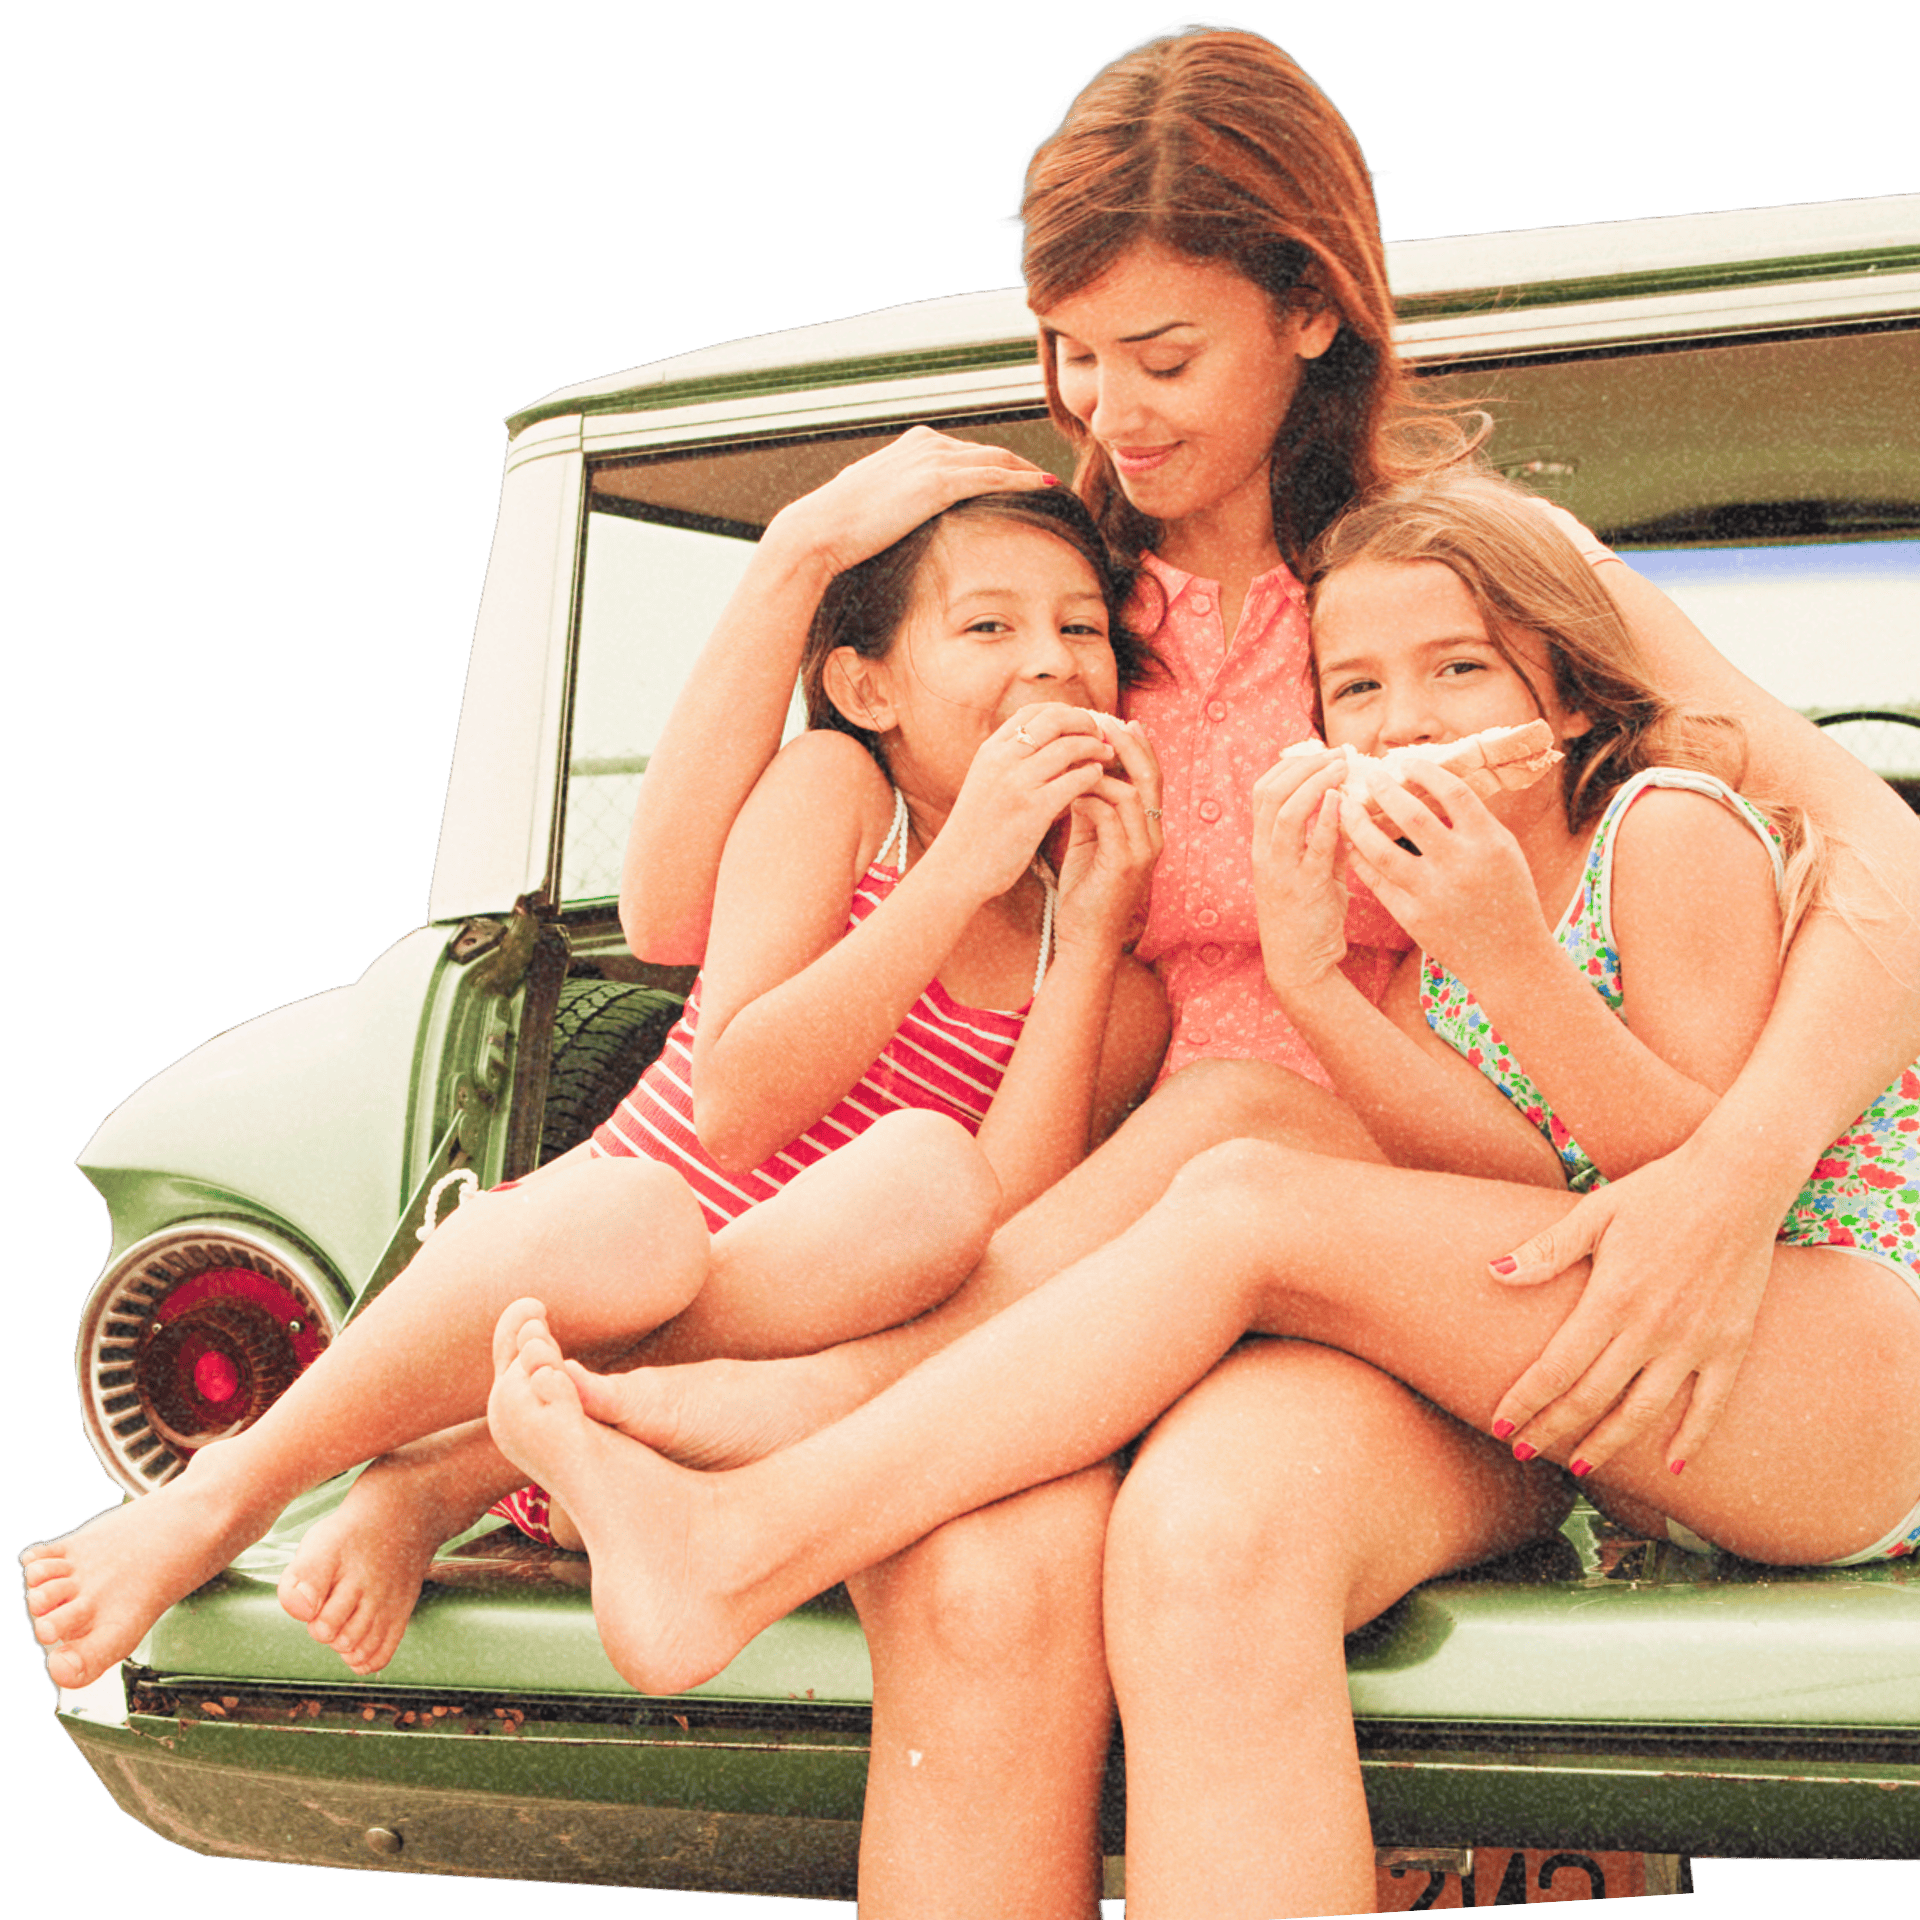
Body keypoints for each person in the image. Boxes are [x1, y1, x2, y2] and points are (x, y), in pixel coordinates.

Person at [588, 23, 1920, 1916]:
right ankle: (700, 1451)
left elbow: (1874, 851)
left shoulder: (1458, 589)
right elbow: (678, 927)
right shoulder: (1046, 604)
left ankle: (738, 1446)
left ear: (1310, 308)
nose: (1107, 411)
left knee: (1218, 1462)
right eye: (1069, 354)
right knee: (992, 1576)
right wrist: (802, 551)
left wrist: (1729, 1178)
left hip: (1421, 1239)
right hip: (1085, 1248)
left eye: (1164, 357)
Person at [19, 486, 1170, 1687]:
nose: (1050, 661)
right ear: (866, 687)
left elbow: (1006, 1236)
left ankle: (438, 1479)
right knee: (639, 1221)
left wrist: (1085, 939)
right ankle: (234, 1490)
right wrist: (958, 874)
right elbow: (735, 1107)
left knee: (932, 1180)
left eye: (1082, 629)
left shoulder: (1110, 983)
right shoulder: (840, 793)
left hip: (706, 1432)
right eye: (990, 628)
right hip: (581, 1292)